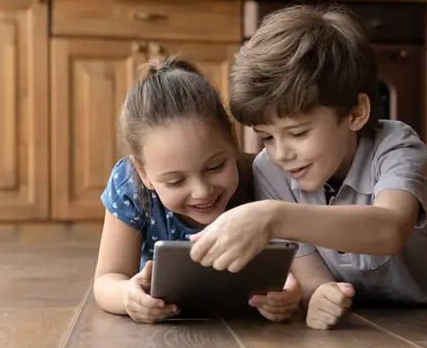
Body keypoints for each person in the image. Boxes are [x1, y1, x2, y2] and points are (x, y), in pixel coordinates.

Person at [188, 5, 427, 330]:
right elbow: (309, 271)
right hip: (368, 284)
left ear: (356, 113)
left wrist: (271, 216)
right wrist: (318, 296)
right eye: (266, 137)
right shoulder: (272, 172)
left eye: (297, 133)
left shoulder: (397, 145)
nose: (280, 153)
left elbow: (390, 230)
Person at [93, 57, 301, 324]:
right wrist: (127, 296)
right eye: (176, 182)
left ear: (233, 142)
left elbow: (297, 271)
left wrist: (290, 293)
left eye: (215, 167)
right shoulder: (129, 186)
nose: (202, 191)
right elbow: (107, 279)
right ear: (144, 173)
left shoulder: (265, 177)